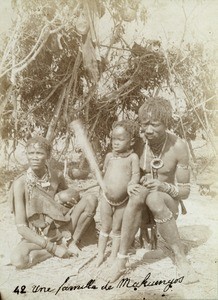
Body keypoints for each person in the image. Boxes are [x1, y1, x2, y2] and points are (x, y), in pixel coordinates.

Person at [106, 97, 198, 284]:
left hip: (166, 202)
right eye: (144, 124)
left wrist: (163, 186)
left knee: (154, 198)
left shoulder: (178, 146)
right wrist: (135, 180)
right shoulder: (137, 143)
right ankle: (121, 260)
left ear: (166, 123)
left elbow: (185, 192)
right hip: (139, 204)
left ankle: (180, 258)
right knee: (137, 193)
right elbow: (118, 168)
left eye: (154, 125)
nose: (148, 130)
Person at [9, 136, 98, 269]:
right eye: (31, 153)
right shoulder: (20, 184)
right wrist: (53, 248)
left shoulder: (56, 175)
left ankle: (72, 242)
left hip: (63, 228)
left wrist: (70, 201)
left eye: (39, 153)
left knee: (91, 199)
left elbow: (67, 201)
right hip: (40, 235)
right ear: (26, 155)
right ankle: (59, 248)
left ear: (48, 156)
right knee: (19, 260)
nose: (34, 157)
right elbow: (21, 227)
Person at [96, 120, 140, 267]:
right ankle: (100, 254)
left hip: (123, 200)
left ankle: (113, 256)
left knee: (116, 229)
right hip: (106, 198)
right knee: (105, 227)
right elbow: (104, 173)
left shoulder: (132, 158)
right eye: (114, 139)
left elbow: (135, 175)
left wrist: (132, 184)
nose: (115, 142)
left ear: (131, 141)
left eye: (120, 139)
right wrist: (98, 177)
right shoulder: (109, 156)